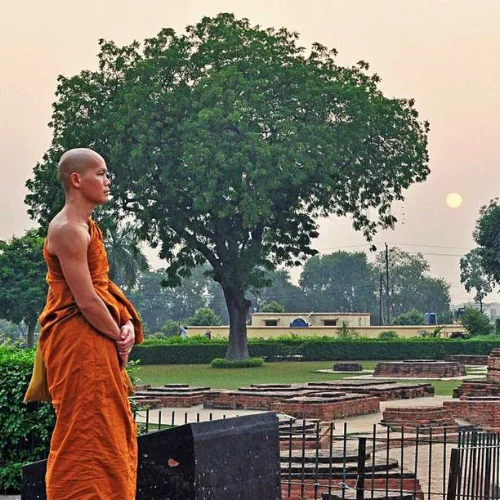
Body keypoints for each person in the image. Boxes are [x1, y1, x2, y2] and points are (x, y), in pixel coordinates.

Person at [24, 148, 143, 499]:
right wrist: (118, 334)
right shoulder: (67, 230)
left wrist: (126, 325)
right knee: (83, 434)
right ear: (77, 180)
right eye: (101, 174)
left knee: (109, 430)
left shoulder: (88, 227)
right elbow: (86, 300)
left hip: (95, 337)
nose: (108, 182)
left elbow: (101, 289)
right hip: (78, 341)